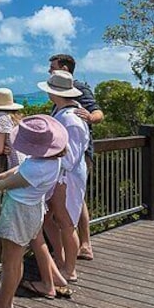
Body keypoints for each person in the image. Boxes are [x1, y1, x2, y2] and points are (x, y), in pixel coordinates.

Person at [0, 89, 71, 301]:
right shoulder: (51, 161)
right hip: (34, 203)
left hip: (20, 207)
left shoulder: (2, 120)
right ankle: (53, 280)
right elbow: (16, 172)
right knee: (29, 247)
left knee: (12, 261)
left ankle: (2, 306)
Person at [48, 54, 104, 261]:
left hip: (74, 156)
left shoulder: (78, 88)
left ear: (63, 68)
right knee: (72, 201)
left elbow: (98, 112)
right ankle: (67, 250)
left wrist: (90, 117)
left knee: (74, 200)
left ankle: (79, 248)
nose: (49, 71)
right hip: (71, 157)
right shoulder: (62, 101)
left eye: (52, 68)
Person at [39, 71, 89, 283]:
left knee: (67, 223)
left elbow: (71, 155)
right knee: (51, 218)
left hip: (66, 179)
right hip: (62, 176)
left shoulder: (70, 119)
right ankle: (61, 262)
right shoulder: (67, 114)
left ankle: (69, 269)